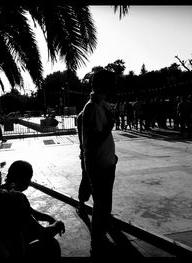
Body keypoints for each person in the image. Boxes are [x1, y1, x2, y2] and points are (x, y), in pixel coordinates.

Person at [0, 160, 65, 259]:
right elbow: (43, 234)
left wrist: (48, 218)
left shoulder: (0, 190)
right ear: (25, 179)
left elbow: (30, 212)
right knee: (51, 245)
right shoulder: (16, 197)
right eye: (29, 178)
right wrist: (58, 225)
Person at [81, 69, 118, 256]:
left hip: (106, 161)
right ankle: (97, 240)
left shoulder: (99, 104)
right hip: (99, 165)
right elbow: (94, 140)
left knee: (104, 203)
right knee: (101, 204)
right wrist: (110, 126)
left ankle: (100, 236)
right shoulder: (93, 107)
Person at [76, 110, 92, 217]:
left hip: (87, 153)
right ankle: (81, 205)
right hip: (90, 153)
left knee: (86, 178)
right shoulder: (86, 115)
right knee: (87, 179)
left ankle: (81, 205)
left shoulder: (81, 115)